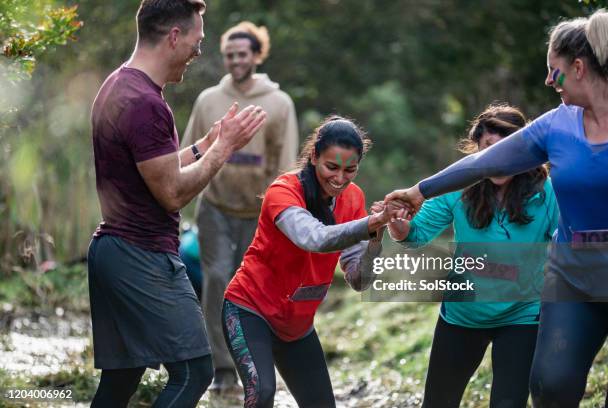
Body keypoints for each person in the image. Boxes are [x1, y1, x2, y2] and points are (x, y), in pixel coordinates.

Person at [385, 9, 608, 407]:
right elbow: (484, 163)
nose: (547, 80)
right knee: (550, 384)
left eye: (553, 70)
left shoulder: (544, 189)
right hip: (574, 277)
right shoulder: (556, 126)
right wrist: (422, 190)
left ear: (577, 67)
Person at [88, 0, 267, 406]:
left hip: (112, 250)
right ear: (173, 37)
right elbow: (171, 193)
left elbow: (155, 169)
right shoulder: (147, 104)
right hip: (142, 254)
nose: (197, 53)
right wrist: (224, 149)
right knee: (194, 371)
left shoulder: (119, 84)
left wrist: (205, 145)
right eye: (197, 42)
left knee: (122, 377)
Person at [376, 104, 558, 407]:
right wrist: (398, 226)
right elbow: (416, 234)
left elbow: (566, 235)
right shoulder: (456, 188)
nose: (499, 161)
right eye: (489, 150)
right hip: (463, 315)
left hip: (521, 315)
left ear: (524, 151)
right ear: (476, 151)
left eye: (507, 150)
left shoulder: (545, 191)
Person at [221, 116, 402, 408]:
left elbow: (359, 280)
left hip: (298, 324)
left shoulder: (353, 198)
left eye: (350, 170)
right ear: (314, 156)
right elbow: (315, 239)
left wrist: (376, 237)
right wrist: (370, 222)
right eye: (332, 167)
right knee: (262, 393)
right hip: (249, 310)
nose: (340, 179)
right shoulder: (283, 191)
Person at [181, 20, 299, 391]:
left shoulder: (278, 102)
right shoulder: (209, 100)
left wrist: (282, 211)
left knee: (250, 287)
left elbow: (287, 159)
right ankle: (221, 368)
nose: (235, 60)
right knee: (216, 280)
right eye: (229, 54)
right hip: (215, 205)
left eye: (242, 54)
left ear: (256, 55)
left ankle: (252, 364)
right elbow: (188, 150)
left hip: (258, 210)